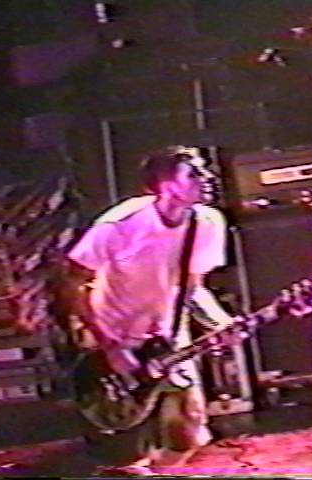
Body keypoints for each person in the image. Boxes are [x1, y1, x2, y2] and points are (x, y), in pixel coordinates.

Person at [63, 146, 235, 475]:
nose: (208, 178)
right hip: (113, 334)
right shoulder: (120, 226)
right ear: (166, 185)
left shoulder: (207, 222)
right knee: (124, 442)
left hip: (167, 335)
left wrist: (220, 323)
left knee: (188, 433)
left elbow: (192, 287)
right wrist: (109, 346)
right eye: (194, 173)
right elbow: (72, 281)